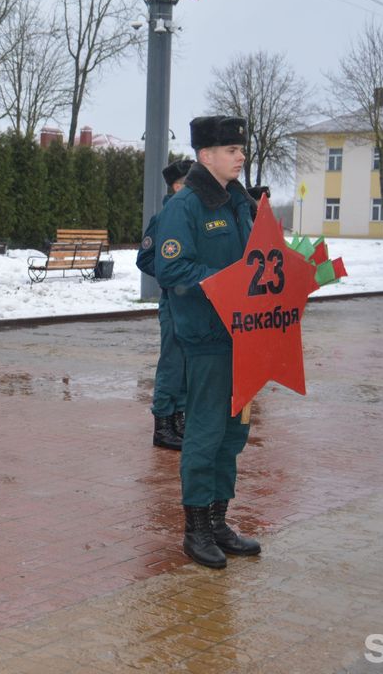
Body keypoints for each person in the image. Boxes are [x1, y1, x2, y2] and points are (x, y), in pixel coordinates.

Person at [155, 116, 260, 570]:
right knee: (204, 433)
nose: (240, 156)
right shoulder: (186, 206)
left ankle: (218, 520)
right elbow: (171, 270)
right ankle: (195, 528)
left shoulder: (240, 201)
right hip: (206, 339)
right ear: (206, 155)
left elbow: (260, 259)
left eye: (241, 149)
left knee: (233, 434)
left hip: (246, 336)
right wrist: (227, 284)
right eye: (232, 149)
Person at [137, 158, 193, 451]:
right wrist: (171, 276)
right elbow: (144, 258)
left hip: (192, 304)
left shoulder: (191, 214)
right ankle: (162, 424)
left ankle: (178, 419)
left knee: (185, 363)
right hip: (173, 301)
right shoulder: (165, 218)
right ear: (177, 185)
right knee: (172, 363)